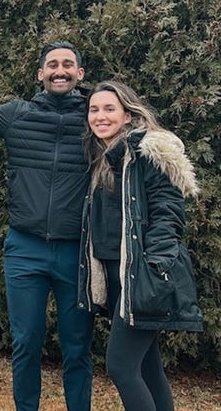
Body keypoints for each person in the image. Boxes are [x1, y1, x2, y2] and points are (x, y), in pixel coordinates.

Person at [0, 41, 95, 411]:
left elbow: (137, 134)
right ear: (40, 73)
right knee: (26, 342)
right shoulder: (17, 113)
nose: (60, 70)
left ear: (80, 74)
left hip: (76, 252)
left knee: (77, 347)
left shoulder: (95, 119)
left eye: (68, 64)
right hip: (25, 250)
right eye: (53, 65)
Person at [79, 80, 202, 411]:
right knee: (148, 368)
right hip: (119, 275)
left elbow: (168, 215)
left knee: (121, 366)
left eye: (109, 109)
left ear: (128, 114)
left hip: (144, 276)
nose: (100, 116)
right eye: (94, 109)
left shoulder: (146, 151)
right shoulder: (105, 156)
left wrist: (154, 268)